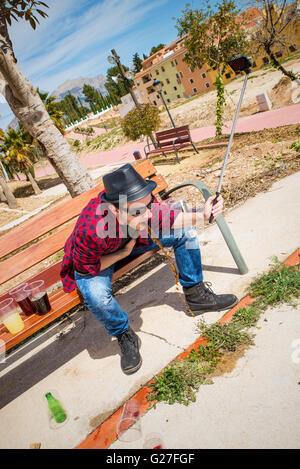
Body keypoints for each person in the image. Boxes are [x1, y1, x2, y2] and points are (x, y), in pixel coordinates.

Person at [60, 164, 238, 375]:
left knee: (187, 233)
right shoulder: (91, 229)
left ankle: (196, 296)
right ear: (114, 210)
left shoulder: (141, 205)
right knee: (97, 297)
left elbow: (171, 219)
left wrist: (204, 215)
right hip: (101, 258)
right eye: (138, 211)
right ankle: (124, 333)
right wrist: (122, 254)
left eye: (148, 205)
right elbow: (87, 269)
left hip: (133, 241)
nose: (146, 215)